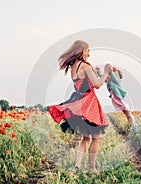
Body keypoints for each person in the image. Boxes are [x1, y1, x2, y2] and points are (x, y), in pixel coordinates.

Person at [48, 40, 112, 173]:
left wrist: (94, 71)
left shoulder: (74, 66)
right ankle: (92, 168)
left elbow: (84, 81)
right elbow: (98, 85)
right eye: (88, 50)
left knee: (85, 138)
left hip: (79, 101)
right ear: (81, 50)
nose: (89, 53)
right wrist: (106, 72)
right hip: (89, 104)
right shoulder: (85, 66)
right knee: (96, 138)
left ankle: (77, 165)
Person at [96, 66, 138, 133]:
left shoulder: (116, 81)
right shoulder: (109, 82)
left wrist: (111, 70)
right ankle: (132, 126)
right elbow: (103, 78)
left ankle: (134, 127)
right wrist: (98, 72)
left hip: (122, 98)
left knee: (128, 114)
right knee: (126, 114)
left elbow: (113, 76)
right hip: (118, 100)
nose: (109, 76)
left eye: (111, 74)